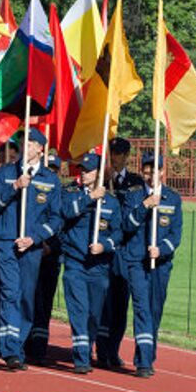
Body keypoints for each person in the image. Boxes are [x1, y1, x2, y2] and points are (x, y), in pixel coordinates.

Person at [0, 128, 62, 370]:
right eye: (22, 142)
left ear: (41, 148)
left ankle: (17, 343)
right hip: (7, 242)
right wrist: (14, 187)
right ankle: (10, 349)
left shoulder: (50, 179)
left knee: (27, 297)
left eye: (30, 143)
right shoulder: (7, 173)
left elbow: (56, 219)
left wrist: (35, 238)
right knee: (10, 293)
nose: (24, 147)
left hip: (32, 247)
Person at [60, 153, 122, 374]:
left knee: (94, 314)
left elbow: (118, 234)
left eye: (88, 170)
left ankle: (87, 348)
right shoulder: (71, 194)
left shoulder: (112, 202)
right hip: (76, 264)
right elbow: (66, 212)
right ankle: (81, 358)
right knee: (79, 311)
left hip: (99, 267)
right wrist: (90, 197)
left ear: (98, 173)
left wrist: (104, 246)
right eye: (82, 170)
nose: (83, 174)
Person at [122, 153, 182, 378]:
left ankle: (146, 355)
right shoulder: (134, 196)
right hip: (136, 261)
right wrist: (145, 206)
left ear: (162, 172)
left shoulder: (172, 198)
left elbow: (176, 235)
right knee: (142, 309)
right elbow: (127, 225)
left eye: (154, 171)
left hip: (161, 264)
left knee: (154, 311)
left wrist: (161, 249)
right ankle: (144, 363)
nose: (149, 176)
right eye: (146, 172)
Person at [97, 137, 144, 368]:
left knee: (119, 304)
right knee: (102, 302)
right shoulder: (101, 181)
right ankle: (101, 349)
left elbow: (134, 216)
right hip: (104, 249)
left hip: (125, 251)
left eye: (118, 153)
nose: (114, 157)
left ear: (126, 156)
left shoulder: (135, 182)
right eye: (112, 153)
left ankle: (113, 350)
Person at [26, 154, 64, 363]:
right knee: (29, 298)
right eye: (48, 168)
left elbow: (64, 227)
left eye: (55, 169)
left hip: (50, 257)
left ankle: (39, 348)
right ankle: (25, 343)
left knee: (45, 303)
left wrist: (51, 246)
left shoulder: (60, 193)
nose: (51, 172)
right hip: (32, 252)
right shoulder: (32, 192)